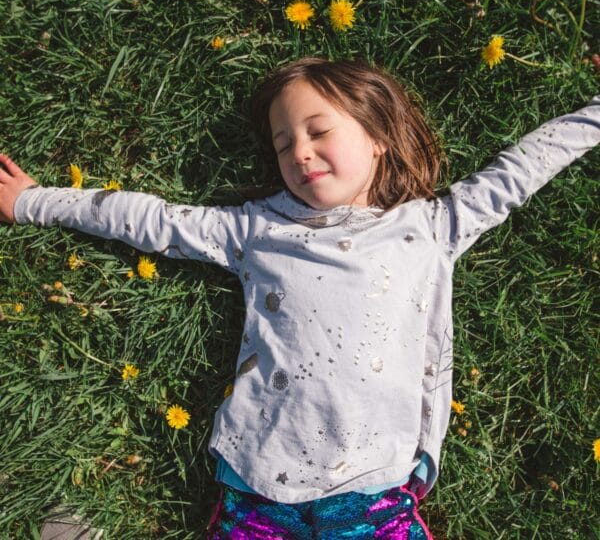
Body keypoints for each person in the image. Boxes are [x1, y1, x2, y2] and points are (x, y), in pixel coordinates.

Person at [0, 58, 598, 539]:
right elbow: (152, 219)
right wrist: (34, 202)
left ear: (378, 139)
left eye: (319, 131)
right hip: (258, 480)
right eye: (284, 144)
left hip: (374, 488)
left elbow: (522, 168)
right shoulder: (256, 231)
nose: (300, 152)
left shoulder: (433, 225)